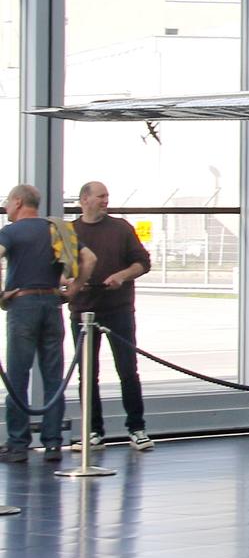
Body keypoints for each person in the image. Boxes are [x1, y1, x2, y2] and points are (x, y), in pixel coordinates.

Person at [0, 184, 92, 463]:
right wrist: (74, 289)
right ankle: (53, 444)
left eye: (7, 202)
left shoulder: (11, 232)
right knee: (53, 377)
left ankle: (18, 445)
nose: (6, 207)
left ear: (18, 202)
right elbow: (89, 258)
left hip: (23, 305)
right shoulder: (58, 229)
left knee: (18, 375)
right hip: (52, 305)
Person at [67, 182, 155, 452]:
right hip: (83, 311)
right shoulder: (70, 232)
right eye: (100, 196)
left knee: (128, 370)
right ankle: (92, 431)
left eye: (107, 196)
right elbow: (60, 265)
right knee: (87, 374)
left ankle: (137, 428)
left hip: (118, 310)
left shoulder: (121, 229)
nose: (106, 201)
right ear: (84, 200)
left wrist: (122, 276)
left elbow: (143, 262)